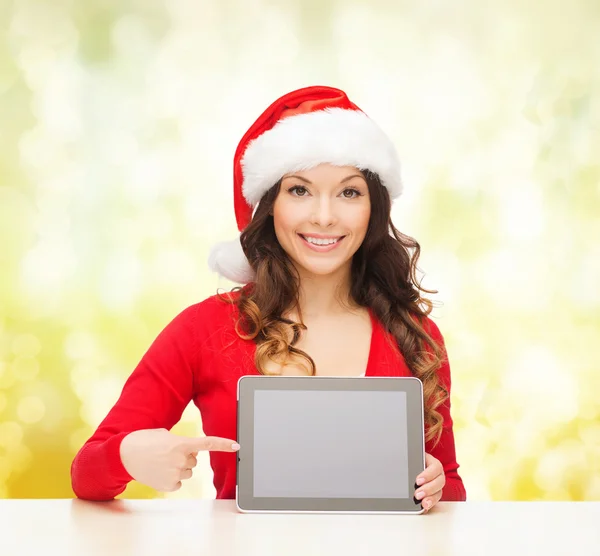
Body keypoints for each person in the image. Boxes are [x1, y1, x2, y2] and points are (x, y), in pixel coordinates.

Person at [71, 86, 467, 511]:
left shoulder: (414, 336)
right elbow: (87, 472)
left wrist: (437, 487)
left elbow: (452, 494)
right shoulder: (204, 329)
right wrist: (128, 455)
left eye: (349, 192)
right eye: (300, 190)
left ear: (373, 209)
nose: (324, 216)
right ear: (270, 205)